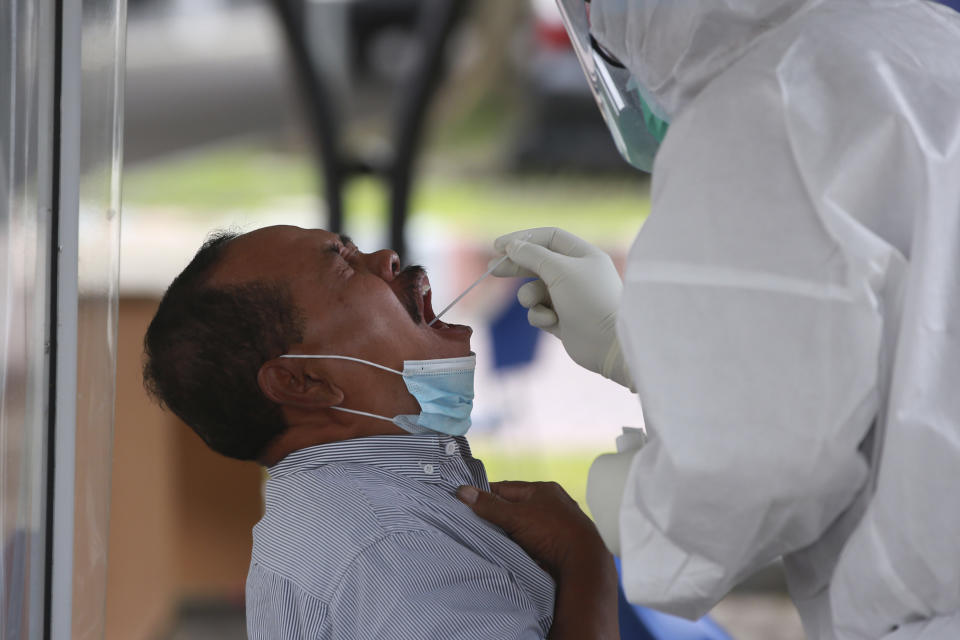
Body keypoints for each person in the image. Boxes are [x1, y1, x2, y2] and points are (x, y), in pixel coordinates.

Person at [457, 1, 960, 639]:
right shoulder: (922, 43)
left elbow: (756, 470)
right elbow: (891, 344)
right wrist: (629, 350)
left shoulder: (760, 108)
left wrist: (638, 510)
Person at [141, 225, 619, 639]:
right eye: (344, 266)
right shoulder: (393, 545)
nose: (385, 259)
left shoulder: (348, 517)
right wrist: (584, 563)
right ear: (303, 382)